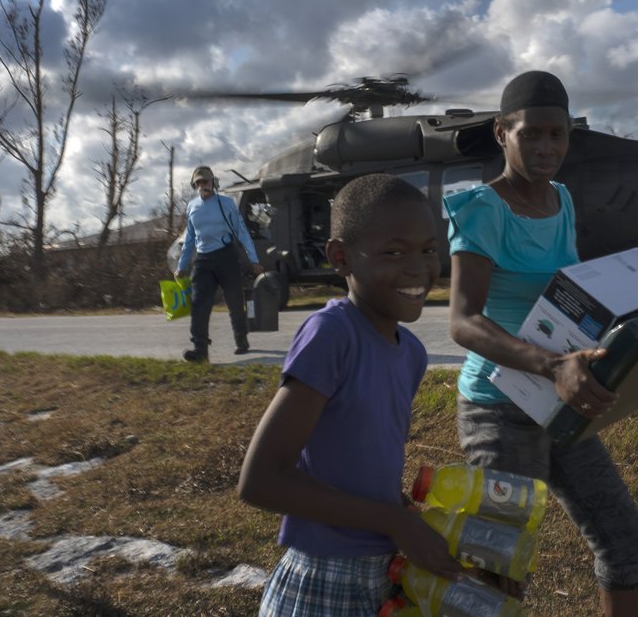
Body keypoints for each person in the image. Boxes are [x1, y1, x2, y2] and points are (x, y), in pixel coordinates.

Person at [445, 71, 638, 617]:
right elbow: (463, 322)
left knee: (625, 540)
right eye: (531, 134)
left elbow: (572, 298)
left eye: (556, 135)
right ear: (501, 133)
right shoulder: (481, 210)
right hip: (498, 410)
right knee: (496, 570)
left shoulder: (561, 200)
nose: (546, 148)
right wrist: (552, 364)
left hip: (557, 399)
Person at [238, 174, 463, 616]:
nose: (419, 268)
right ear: (342, 257)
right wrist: (394, 521)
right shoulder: (333, 334)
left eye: (429, 249)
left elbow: (355, 458)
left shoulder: (412, 353)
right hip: (325, 579)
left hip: (383, 572)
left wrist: (401, 510)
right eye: (394, 252)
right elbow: (261, 480)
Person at [175, 165, 263, 362]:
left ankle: (241, 339)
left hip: (226, 257)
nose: (201, 186)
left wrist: (254, 259)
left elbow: (241, 231)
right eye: (197, 183)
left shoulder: (226, 203)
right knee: (199, 304)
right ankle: (200, 349)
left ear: (213, 183)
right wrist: (181, 265)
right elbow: (189, 238)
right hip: (203, 260)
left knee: (234, 301)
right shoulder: (192, 207)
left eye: (205, 182)